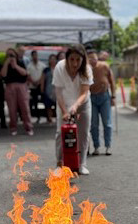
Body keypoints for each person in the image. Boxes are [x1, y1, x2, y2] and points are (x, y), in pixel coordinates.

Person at [52, 44, 93, 175]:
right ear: (67, 58)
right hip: (63, 103)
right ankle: (60, 163)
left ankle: (81, 164)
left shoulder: (86, 69)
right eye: (72, 59)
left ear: (83, 60)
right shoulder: (59, 67)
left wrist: (76, 106)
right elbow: (58, 93)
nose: (75, 63)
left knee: (83, 133)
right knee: (60, 133)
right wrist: (64, 111)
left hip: (82, 104)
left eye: (78, 60)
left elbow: (84, 92)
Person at [87, 49, 115, 156]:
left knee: (107, 123)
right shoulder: (86, 69)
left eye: (94, 58)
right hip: (92, 97)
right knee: (94, 124)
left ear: (97, 58)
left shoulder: (104, 66)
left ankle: (108, 146)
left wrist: (113, 96)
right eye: (90, 59)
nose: (92, 61)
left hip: (104, 97)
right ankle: (96, 147)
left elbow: (111, 81)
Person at [1, 48, 33, 136]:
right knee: (12, 109)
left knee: (25, 108)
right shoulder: (5, 64)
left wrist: (15, 65)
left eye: (12, 55)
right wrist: (7, 63)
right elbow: (3, 74)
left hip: (21, 86)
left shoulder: (20, 63)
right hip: (10, 86)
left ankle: (28, 127)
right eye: (8, 55)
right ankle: (13, 128)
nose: (10, 57)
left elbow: (24, 73)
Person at [28, 50, 46, 123]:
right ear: (32, 56)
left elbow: (44, 75)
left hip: (40, 85)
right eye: (33, 55)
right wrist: (33, 82)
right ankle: (37, 116)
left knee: (43, 101)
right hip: (32, 86)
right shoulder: (29, 66)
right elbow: (28, 75)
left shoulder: (42, 65)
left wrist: (39, 82)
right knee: (34, 102)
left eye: (36, 55)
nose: (35, 57)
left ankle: (45, 115)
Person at [40, 54, 58, 124]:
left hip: (57, 88)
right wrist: (42, 87)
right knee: (48, 105)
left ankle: (57, 118)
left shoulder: (58, 68)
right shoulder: (46, 70)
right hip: (48, 88)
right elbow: (43, 79)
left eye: (54, 59)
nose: (53, 60)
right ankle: (49, 118)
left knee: (57, 105)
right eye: (51, 59)